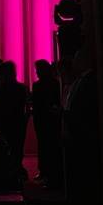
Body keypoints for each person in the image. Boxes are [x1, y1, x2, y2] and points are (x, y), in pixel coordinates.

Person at [0, 61, 29, 181]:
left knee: (6, 150)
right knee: (17, 149)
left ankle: (8, 175)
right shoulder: (22, 88)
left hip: (4, 124)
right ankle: (16, 174)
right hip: (18, 123)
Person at [30, 60, 63, 188]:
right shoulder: (55, 83)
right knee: (48, 146)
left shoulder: (38, 85)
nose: (36, 72)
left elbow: (36, 103)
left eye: (37, 70)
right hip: (50, 119)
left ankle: (45, 172)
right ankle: (46, 173)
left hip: (42, 119)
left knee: (44, 146)